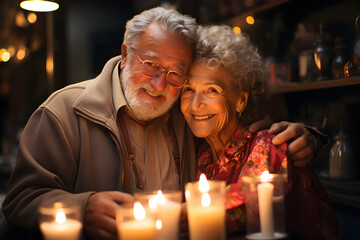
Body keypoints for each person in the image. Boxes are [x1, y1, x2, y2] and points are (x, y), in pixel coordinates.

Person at [2, 7, 319, 240]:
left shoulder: (186, 117)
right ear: (125, 54)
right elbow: (18, 200)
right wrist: (82, 207)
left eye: (175, 73)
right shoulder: (63, 112)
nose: (159, 83)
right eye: (150, 64)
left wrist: (307, 137)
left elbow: (250, 148)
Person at [180, 24, 341, 239]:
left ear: (241, 99)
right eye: (188, 89)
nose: (195, 104)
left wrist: (169, 216)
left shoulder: (268, 143)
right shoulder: (204, 154)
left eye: (212, 90)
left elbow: (245, 207)